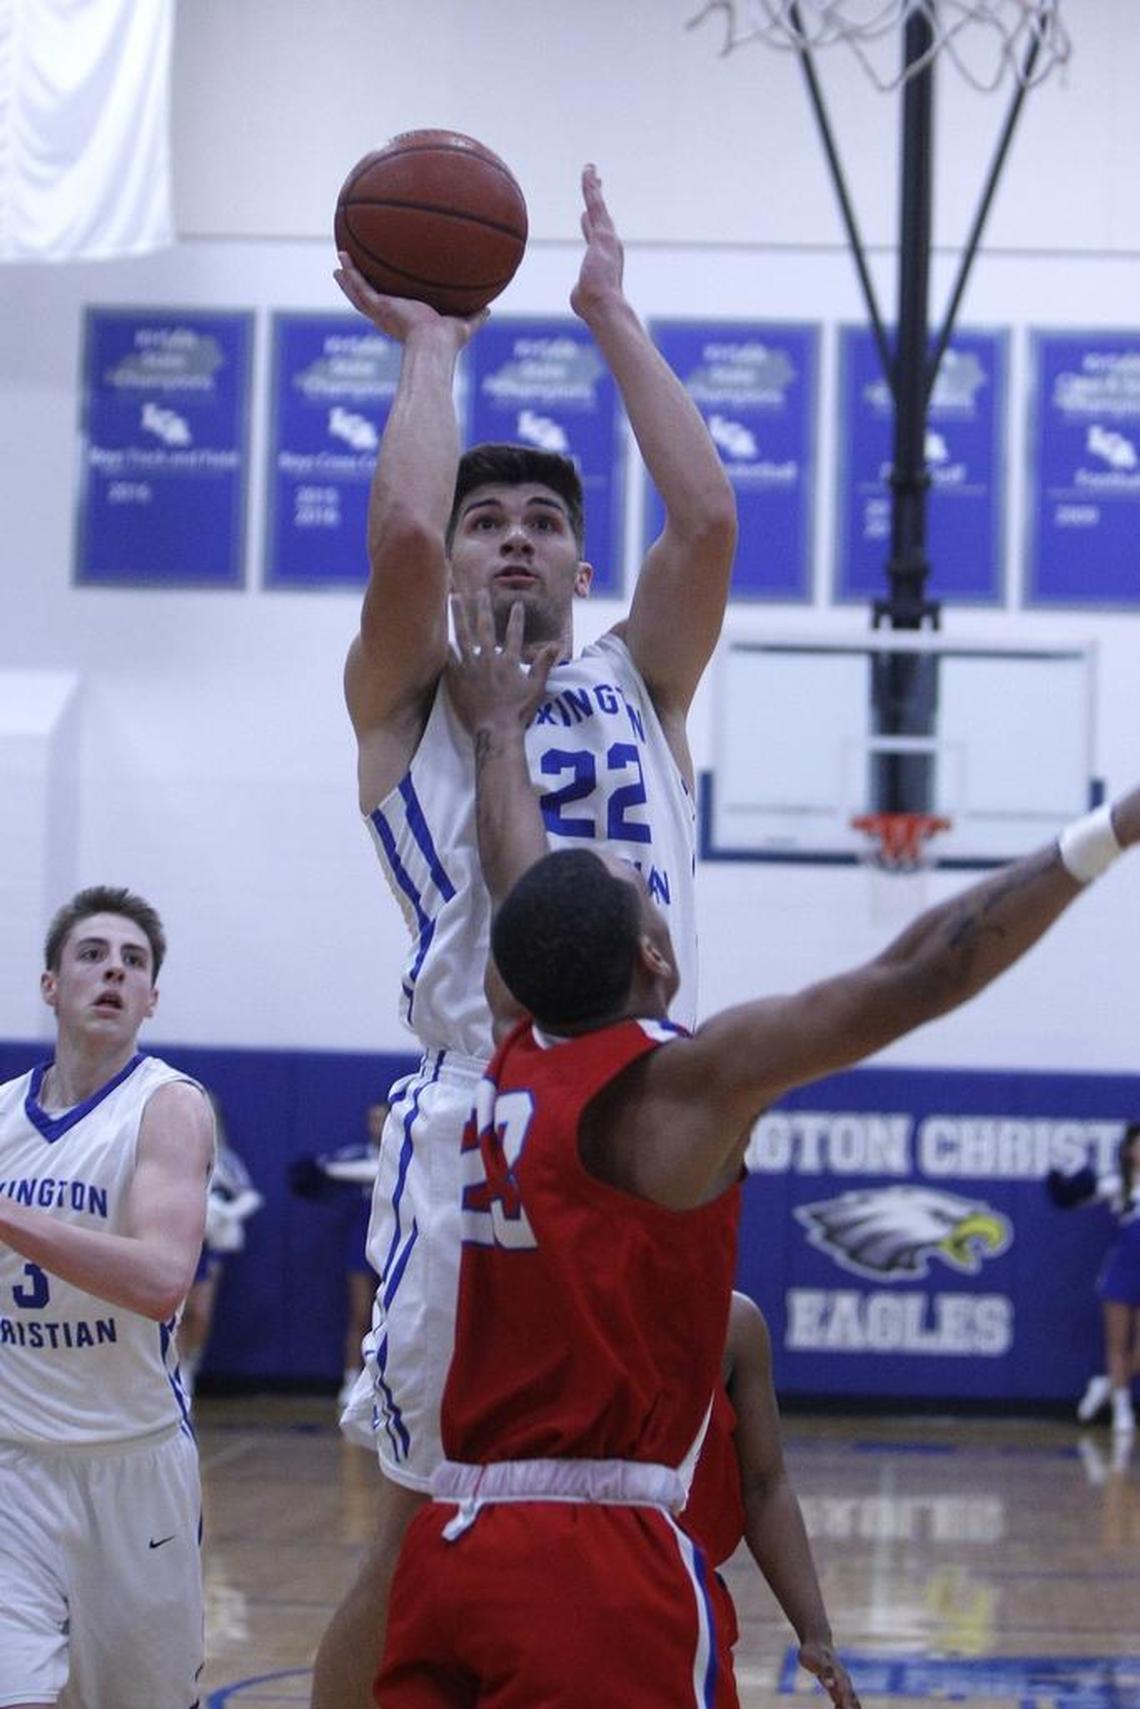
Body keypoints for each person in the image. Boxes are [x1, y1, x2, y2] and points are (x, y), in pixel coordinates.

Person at [372, 604, 1140, 1705]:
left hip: (455, 1547)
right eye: (649, 893)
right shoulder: (669, 1085)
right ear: (655, 953)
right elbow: (917, 978)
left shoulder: (513, 1045)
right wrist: (1113, 828)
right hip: (593, 1569)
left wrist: (499, 736)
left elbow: (516, 875)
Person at [312, 160, 737, 1706]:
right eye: (487, 515)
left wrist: (608, 311)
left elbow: (704, 515)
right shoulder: (410, 705)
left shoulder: (641, 683)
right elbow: (405, 550)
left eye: (541, 521)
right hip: (481, 1128)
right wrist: (432, 349)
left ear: (576, 561)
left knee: (639, 1511)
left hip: (648, 1118)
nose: (506, 538)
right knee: (433, 1511)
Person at [0, 884, 215, 1709]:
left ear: (152, 997)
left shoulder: (167, 1108)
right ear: (51, 984)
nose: (113, 972)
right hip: (14, 1464)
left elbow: (163, 1281)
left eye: (134, 961)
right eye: (91, 955)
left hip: (131, 1467)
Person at [684, 1291, 859, 1704]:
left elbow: (764, 1484)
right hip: (562, 1577)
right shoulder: (559, 1303)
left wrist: (816, 1633)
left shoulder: (733, 1322)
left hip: (683, 1598)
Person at [287, 1099, 387, 1407]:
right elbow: (316, 1171)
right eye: (371, 1119)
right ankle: (351, 1380)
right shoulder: (354, 1156)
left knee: (395, 1318)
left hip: (394, 1244)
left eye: (381, 1119)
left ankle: (387, 1384)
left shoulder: (405, 1156)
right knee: (360, 1314)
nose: (375, 1126)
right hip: (360, 1243)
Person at [1047, 1122, 1140, 1435]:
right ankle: (1122, 1410)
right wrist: (1062, 1175)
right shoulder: (1119, 1185)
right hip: (1124, 1270)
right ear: (1129, 1151)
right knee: (1117, 1342)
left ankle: (1107, 1384)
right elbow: (1072, 1198)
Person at [177, 1099, 263, 1401]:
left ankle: (189, 1363)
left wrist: (224, 1214)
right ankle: (172, 1370)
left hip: (209, 1244)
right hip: (175, 1240)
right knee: (175, 1309)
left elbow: (251, 1197)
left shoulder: (226, 1160)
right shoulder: (173, 1153)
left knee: (200, 1311)